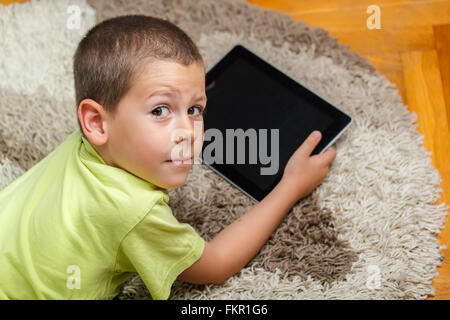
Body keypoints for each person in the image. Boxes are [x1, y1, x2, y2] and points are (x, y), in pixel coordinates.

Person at [0, 15, 336, 300]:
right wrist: (290, 186)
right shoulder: (135, 210)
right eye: (160, 110)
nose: (188, 132)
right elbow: (216, 264)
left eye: (194, 109)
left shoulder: (91, 142)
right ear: (97, 122)